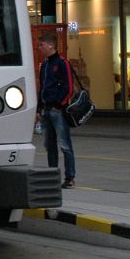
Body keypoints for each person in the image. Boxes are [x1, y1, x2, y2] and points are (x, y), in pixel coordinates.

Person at [36, 32, 77, 189]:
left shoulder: (62, 63)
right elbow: (42, 88)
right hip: (47, 110)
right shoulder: (45, 65)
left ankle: (69, 178)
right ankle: (53, 177)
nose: (39, 48)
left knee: (65, 144)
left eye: (42, 45)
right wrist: (39, 109)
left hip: (58, 111)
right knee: (50, 145)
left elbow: (69, 87)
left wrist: (59, 104)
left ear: (51, 45)